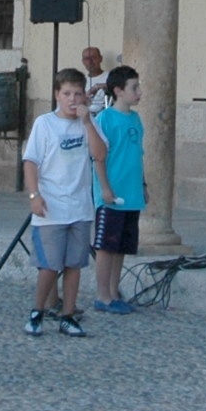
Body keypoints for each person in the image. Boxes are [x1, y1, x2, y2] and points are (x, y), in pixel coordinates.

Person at [22, 68, 94, 338]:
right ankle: (37, 311)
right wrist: (34, 195)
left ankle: (68, 314)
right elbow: (31, 161)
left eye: (77, 93)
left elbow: (100, 154)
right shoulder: (45, 123)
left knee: (74, 264)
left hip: (79, 206)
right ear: (57, 95)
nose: (72, 99)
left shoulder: (88, 123)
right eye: (66, 94)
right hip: (52, 207)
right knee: (50, 265)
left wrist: (87, 123)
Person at [87, 63, 144, 315]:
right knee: (106, 246)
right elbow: (99, 157)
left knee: (121, 247)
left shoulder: (136, 119)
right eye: (134, 87)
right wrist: (105, 189)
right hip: (112, 194)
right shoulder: (105, 119)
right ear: (119, 91)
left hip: (131, 194)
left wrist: (143, 184)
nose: (139, 91)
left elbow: (137, 155)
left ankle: (113, 291)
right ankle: (102, 295)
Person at [80, 46, 109, 110]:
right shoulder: (80, 81)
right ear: (83, 62)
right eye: (87, 58)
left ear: (100, 59)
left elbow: (121, 86)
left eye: (93, 57)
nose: (90, 61)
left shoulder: (110, 76)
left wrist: (97, 87)